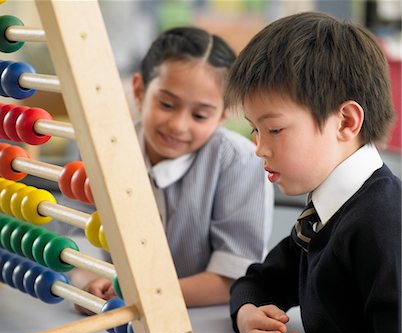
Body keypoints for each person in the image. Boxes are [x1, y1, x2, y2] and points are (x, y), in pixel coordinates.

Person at [60, 26, 274, 311]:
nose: (178, 125)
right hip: (114, 316)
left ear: (223, 113)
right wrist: (90, 283)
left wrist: (138, 296)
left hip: (201, 318)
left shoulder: (240, 161)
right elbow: (75, 240)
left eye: (199, 115)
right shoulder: (102, 151)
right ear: (139, 91)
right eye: (167, 104)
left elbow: (232, 275)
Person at [226, 12, 401, 333]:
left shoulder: (383, 224)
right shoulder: (323, 215)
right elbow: (258, 281)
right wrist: (248, 315)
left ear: (346, 122)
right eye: (255, 130)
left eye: (275, 129)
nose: (259, 148)